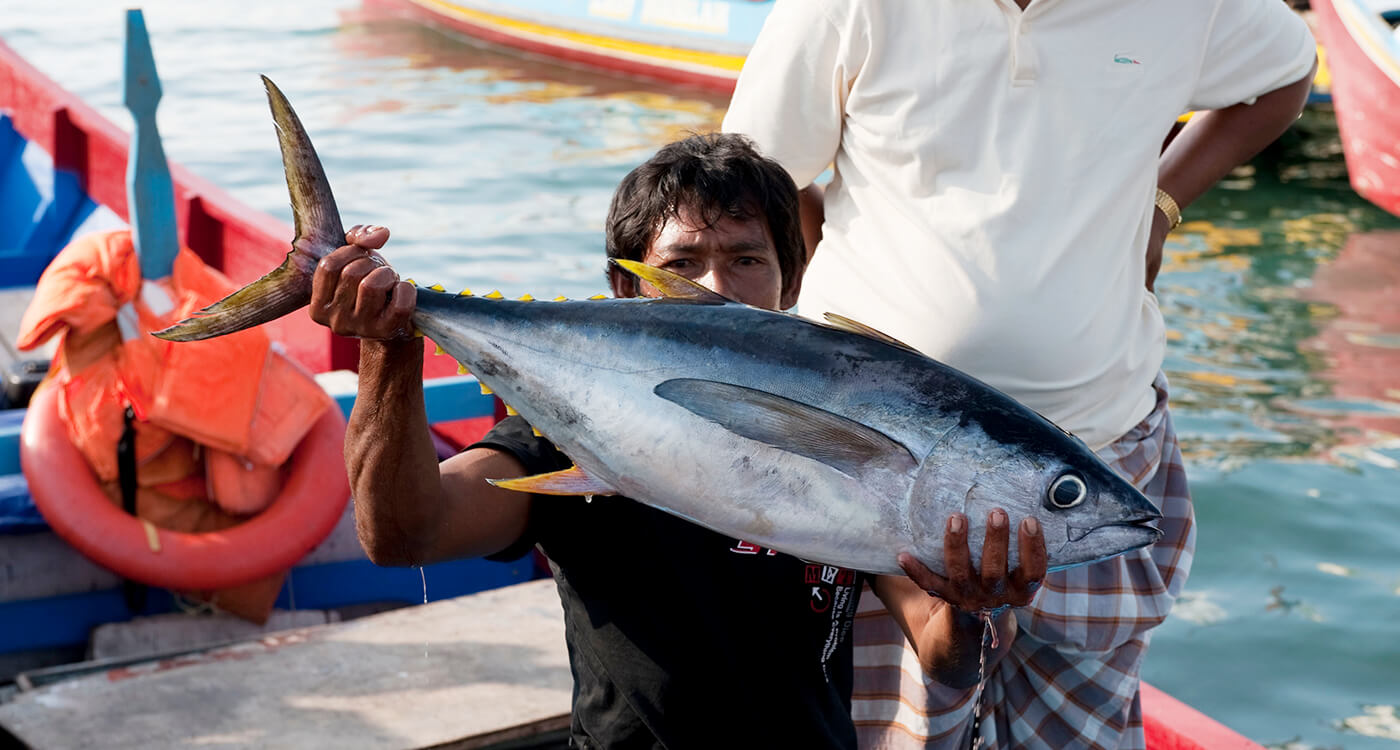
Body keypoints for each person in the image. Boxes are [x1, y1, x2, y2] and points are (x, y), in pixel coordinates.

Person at [308, 133, 1047, 749]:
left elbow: (946, 658)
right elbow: (404, 532)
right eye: (682, 267)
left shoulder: (854, 439)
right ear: (625, 292)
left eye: (747, 260)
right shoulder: (571, 435)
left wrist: (975, 604)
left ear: (790, 284)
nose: (719, 288)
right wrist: (392, 348)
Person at [722, 1, 1317, 747]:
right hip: (878, 468)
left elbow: (1286, 74)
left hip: (1096, 449)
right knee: (890, 729)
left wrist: (1161, 207)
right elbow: (754, 175)